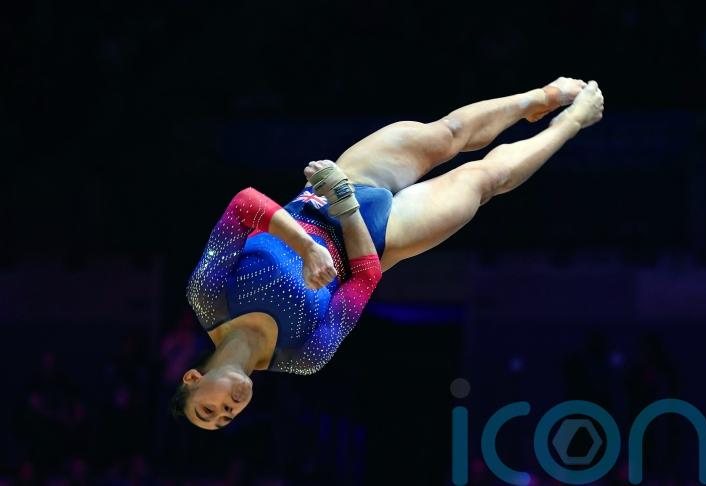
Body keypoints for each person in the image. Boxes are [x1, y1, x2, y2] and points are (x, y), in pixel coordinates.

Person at [172, 78, 604, 429]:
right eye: (226, 419)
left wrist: (307, 244)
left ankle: (540, 97)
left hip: (337, 186)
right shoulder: (302, 357)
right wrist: (345, 206)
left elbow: (244, 205)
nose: (226, 410)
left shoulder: (208, 298)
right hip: (383, 235)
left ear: (194, 378)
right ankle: (570, 123)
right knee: (485, 180)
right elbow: (365, 279)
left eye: (208, 409)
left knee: (447, 134)